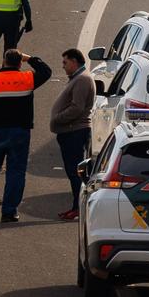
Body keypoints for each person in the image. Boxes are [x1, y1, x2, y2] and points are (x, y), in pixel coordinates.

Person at [0, 48, 53, 224]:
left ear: (4, 61)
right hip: (19, 132)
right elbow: (46, 71)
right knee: (16, 171)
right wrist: (30, 58)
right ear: (19, 63)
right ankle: (9, 212)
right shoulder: (27, 79)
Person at [50, 48, 95, 221]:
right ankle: (75, 206)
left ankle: (79, 208)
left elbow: (77, 107)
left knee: (75, 171)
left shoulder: (82, 79)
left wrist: (58, 118)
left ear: (74, 61)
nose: (63, 66)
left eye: (65, 62)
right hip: (69, 131)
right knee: (72, 171)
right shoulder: (77, 78)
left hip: (74, 131)